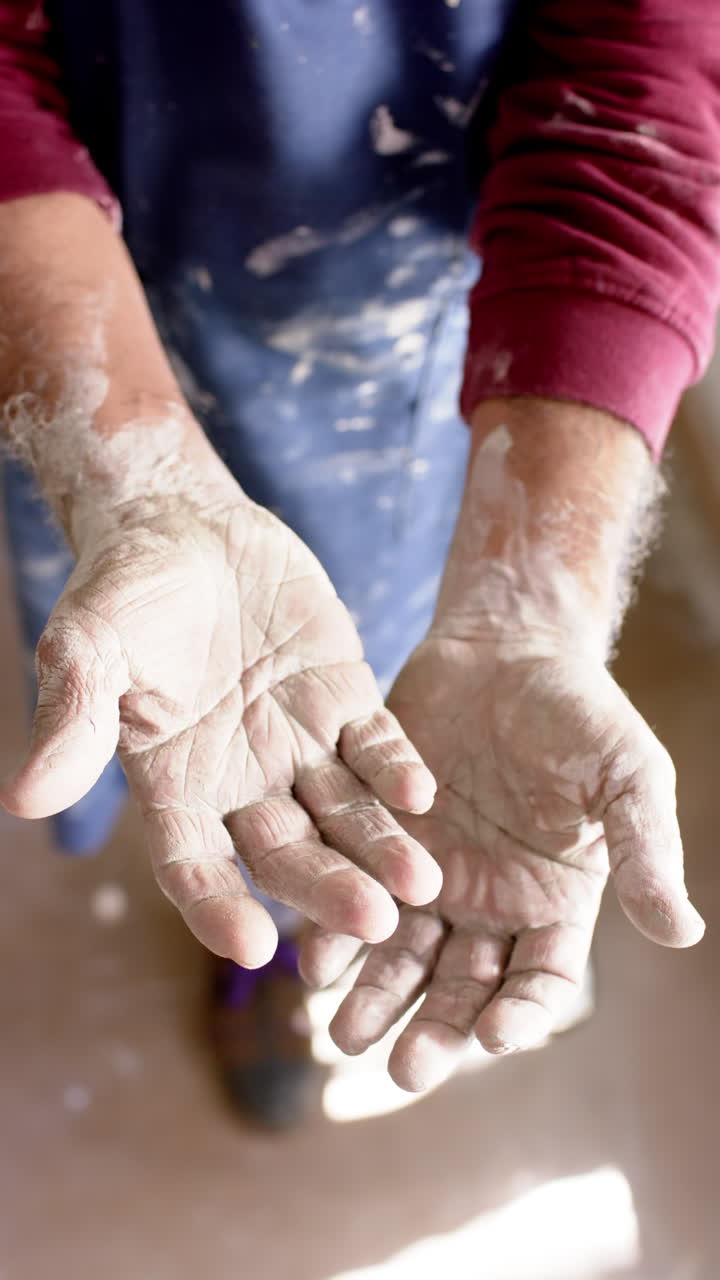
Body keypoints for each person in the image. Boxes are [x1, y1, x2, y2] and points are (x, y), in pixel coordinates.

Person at [0, 0, 716, 1128]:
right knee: (159, 685)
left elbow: (633, 108)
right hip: (72, 303)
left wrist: (530, 600)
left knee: (350, 718)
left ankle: (286, 941)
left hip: (401, 339)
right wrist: (129, 482)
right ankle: (253, 917)